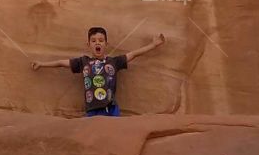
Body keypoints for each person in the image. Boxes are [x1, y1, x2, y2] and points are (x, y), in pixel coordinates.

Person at [31, 27, 165, 117]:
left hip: (110, 108)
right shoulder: (83, 62)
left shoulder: (114, 61)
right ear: (88, 44)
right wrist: (42, 64)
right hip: (92, 110)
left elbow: (134, 54)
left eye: (101, 41)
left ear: (106, 44)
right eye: (93, 41)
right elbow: (60, 63)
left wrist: (153, 45)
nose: (97, 43)